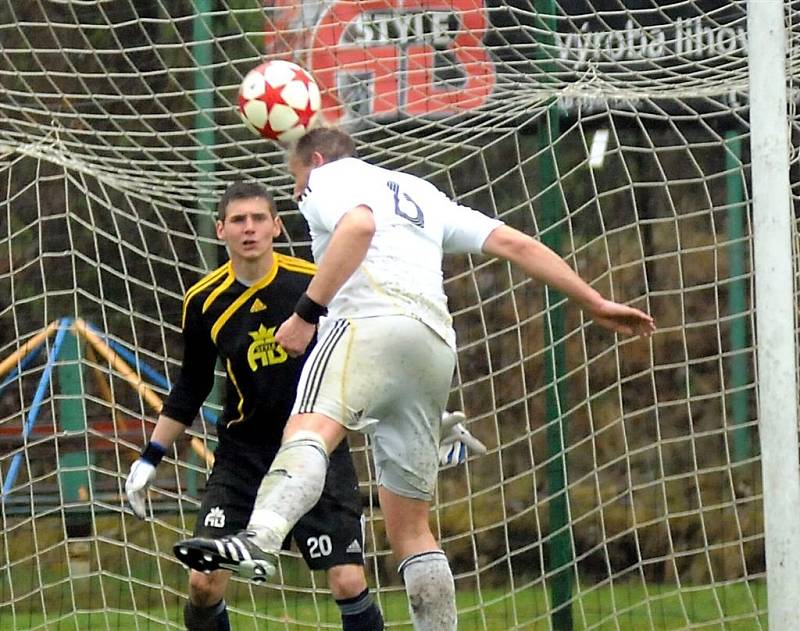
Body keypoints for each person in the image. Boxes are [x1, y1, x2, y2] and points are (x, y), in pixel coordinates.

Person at [174, 128, 656, 630]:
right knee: (411, 529)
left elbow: (358, 226)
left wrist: (306, 313)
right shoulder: (421, 193)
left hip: (365, 324)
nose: (298, 195)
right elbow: (514, 242)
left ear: (315, 162)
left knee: (308, 431)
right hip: (432, 343)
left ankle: (260, 539)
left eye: (295, 182)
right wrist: (594, 301)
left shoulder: (329, 180)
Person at [124, 181, 384, 631]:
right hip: (242, 455)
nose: (250, 229)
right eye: (239, 220)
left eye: (259, 219)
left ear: (277, 227)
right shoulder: (203, 301)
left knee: (346, 579)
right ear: (220, 229)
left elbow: (363, 358)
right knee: (204, 584)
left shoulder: (313, 282)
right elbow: (192, 384)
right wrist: (151, 456)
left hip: (314, 446)